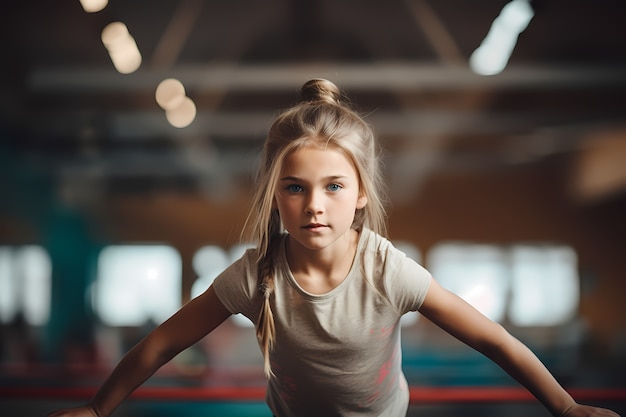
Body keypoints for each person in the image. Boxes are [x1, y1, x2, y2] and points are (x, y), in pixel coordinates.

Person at [48, 79, 620, 417]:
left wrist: (564, 406)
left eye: (333, 186)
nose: (313, 204)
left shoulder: (386, 270)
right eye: (295, 188)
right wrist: (99, 409)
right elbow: (161, 344)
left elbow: (492, 338)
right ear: (276, 195)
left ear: (361, 194)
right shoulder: (256, 276)